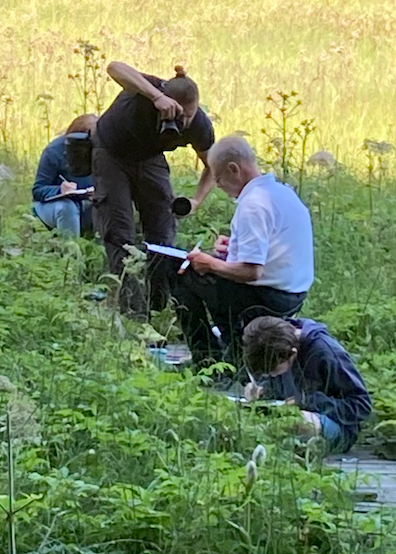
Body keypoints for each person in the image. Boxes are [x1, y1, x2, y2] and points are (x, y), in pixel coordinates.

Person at [172, 134, 314, 370]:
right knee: (211, 266)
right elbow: (273, 244)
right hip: (294, 291)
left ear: (233, 169)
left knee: (183, 275)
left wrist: (210, 264)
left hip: (270, 297)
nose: (219, 186)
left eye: (218, 179)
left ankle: (212, 357)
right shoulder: (281, 192)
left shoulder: (253, 205)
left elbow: (251, 272)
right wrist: (235, 246)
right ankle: (225, 351)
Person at [93, 62, 215, 317]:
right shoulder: (148, 91)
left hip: (149, 158)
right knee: (119, 231)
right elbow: (114, 67)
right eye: (177, 115)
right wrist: (156, 97)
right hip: (111, 152)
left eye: (188, 116)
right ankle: (133, 312)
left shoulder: (198, 124)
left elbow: (213, 166)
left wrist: (196, 200)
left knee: (163, 230)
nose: (183, 123)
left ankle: (159, 305)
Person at [243, 315, 371, 453]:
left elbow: (361, 405)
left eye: (273, 371)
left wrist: (308, 402)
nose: (272, 375)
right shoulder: (278, 346)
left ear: (293, 354)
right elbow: (280, 383)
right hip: (291, 414)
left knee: (300, 423)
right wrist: (262, 390)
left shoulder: (326, 352)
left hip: (335, 425)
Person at [32, 114, 97, 239]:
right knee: (67, 207)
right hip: (54, 205)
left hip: (87, 202)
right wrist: (60, 190)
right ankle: (70, 249)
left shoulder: (100, 151)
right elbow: (38, 191)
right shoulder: (54, 151)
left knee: (108, 204)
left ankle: (106, 247)